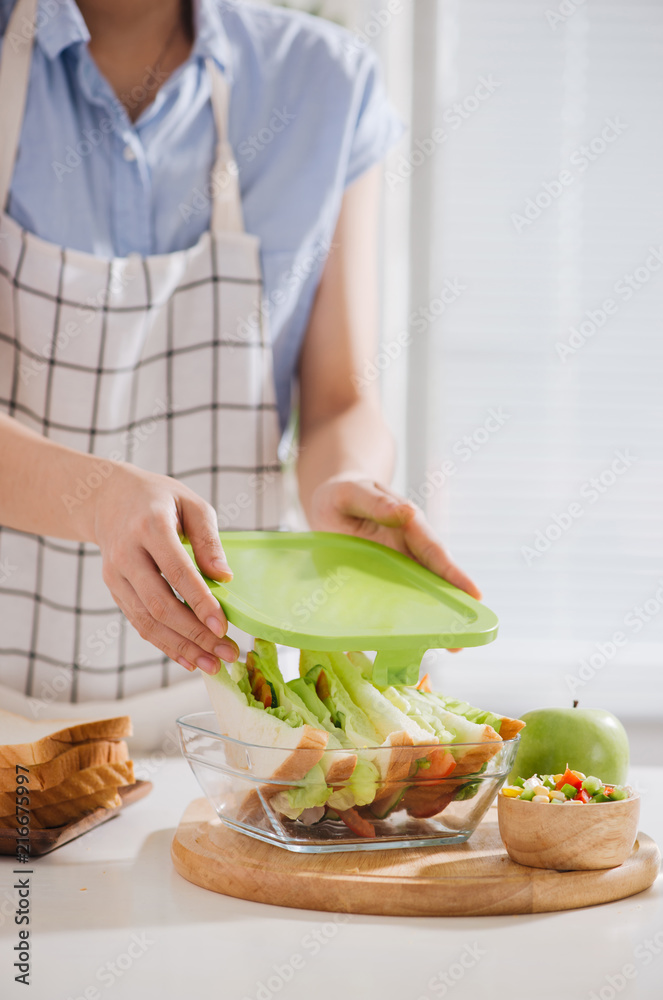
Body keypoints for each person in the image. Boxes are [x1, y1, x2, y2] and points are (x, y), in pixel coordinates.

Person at [0, 0, 479, 728]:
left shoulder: (323, 84)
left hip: (227, 712)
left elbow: (338, 403)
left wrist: (342, 488)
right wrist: (99, 497)